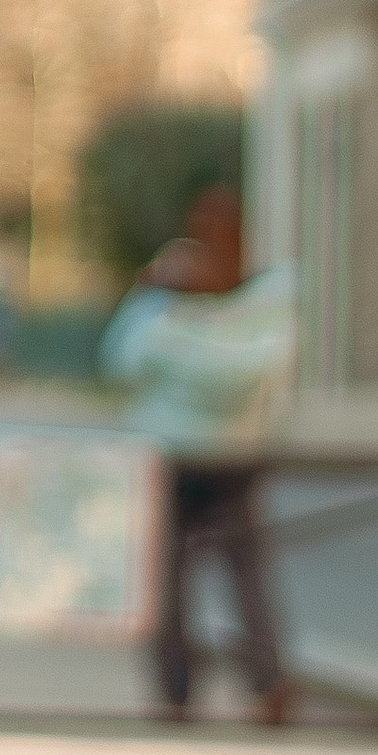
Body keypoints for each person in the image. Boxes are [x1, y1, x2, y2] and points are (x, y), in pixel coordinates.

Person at [98, 182, 298, 726]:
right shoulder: (183, 293)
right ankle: (207, 684)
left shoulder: (255, 295)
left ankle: (229, 684)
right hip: (198, 457)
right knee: (191, 577)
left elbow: (132, 360)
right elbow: (121, 360)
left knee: (216, 576)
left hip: (209, 455)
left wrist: (171, 327)